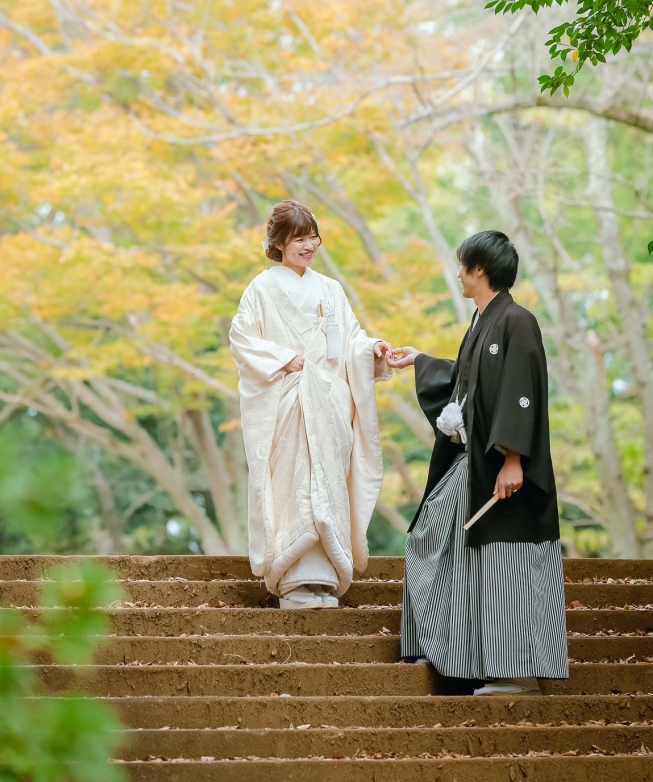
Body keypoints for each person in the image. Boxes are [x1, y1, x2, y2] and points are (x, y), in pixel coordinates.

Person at [387, 230, 568, 694]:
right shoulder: (481, 323)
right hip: (472, 465)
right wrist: (420, 361)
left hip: (502, 468)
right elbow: (468, 384)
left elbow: (520, 392)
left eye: (462, 266)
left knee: (506, 564)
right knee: (429, 535)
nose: (458, 274)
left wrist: (514, 460)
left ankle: (517, 673)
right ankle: (444, 646)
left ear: (479, 270)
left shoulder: (517, 320)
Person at [229, 200, 392, 610]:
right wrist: (284, 359)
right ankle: (293, 580)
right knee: (295, 483)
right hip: (288, 402)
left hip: (329, 405)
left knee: (326, 482)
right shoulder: (261, 288)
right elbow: (242, 338)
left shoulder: (330, 289)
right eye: (299, 239)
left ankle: (324, 578)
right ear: (279, 243)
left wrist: (372, 348)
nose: (308, 246)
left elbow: (351, 339)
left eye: (313, 238)